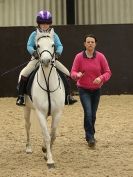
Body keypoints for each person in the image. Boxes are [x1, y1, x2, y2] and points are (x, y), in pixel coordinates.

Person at [16, 10, 77, 106]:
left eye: (47, 23)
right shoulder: (34, 34)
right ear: (39, 24)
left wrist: (57, 54)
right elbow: (29, 45)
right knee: (24, 74)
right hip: (36, 59)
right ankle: (21, 97)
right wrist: (34, 52)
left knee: (66, 72)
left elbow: (60, 45)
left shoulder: (53, 34)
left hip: (51, 59)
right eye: (42, 23)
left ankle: (68, 96)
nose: (44, 25)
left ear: (50, 24)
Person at [71, 34, 112, 147]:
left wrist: (101, 78)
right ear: (84, 44)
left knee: (93, 115)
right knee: (88, 113)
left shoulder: (100, 57)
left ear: (95, 44)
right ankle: (90, 137)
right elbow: (72, 72)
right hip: (83, 89)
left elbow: (108, 72)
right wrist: (77, 74)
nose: (90, 44)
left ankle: (90, 134)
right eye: (88, 42)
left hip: (96, 90)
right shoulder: (79, 57)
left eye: (92, 42)